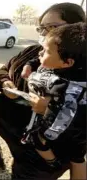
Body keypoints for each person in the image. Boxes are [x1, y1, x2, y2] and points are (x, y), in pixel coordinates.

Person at [0, 3, 86, 179]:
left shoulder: (78, 73)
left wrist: (48, 110)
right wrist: (5, 84)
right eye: (42, 28)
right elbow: (4, 69)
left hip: (40, 163)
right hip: (19, 146)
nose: (45, 34)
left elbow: (79, 132)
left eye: (52, 27)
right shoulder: (36, 52)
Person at [23, 22, 87, 170]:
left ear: (67, 62)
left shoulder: (63, 88)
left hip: (69, 130)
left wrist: (44, 129)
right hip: (77, 130)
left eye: (45, 51)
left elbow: (56, 124)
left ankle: (52, 162)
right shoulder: (76, 68)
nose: (40, 53)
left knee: (36, 138)